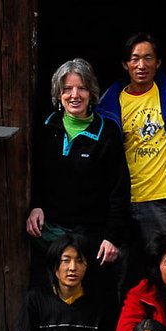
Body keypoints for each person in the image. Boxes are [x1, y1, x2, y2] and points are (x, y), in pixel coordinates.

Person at [24, 58, 129, 286]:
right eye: (67, 89)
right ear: (58, 95)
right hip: (50, 233)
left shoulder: (106, 132)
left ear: (91, 93)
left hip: (91, 235)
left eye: (82, 88)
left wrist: (112, 237)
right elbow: (36, 174)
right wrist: (36, 205)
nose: (75, 95)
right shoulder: (45, 127)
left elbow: (119, 190)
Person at [96, 32, 166, 250]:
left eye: (148, 58)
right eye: (135, 58)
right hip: (121, 201)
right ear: (125, 64)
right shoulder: (109, 103)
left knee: (165, 260)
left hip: (158, 197)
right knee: (120, 269)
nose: (141, 65)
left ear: (158, 63)